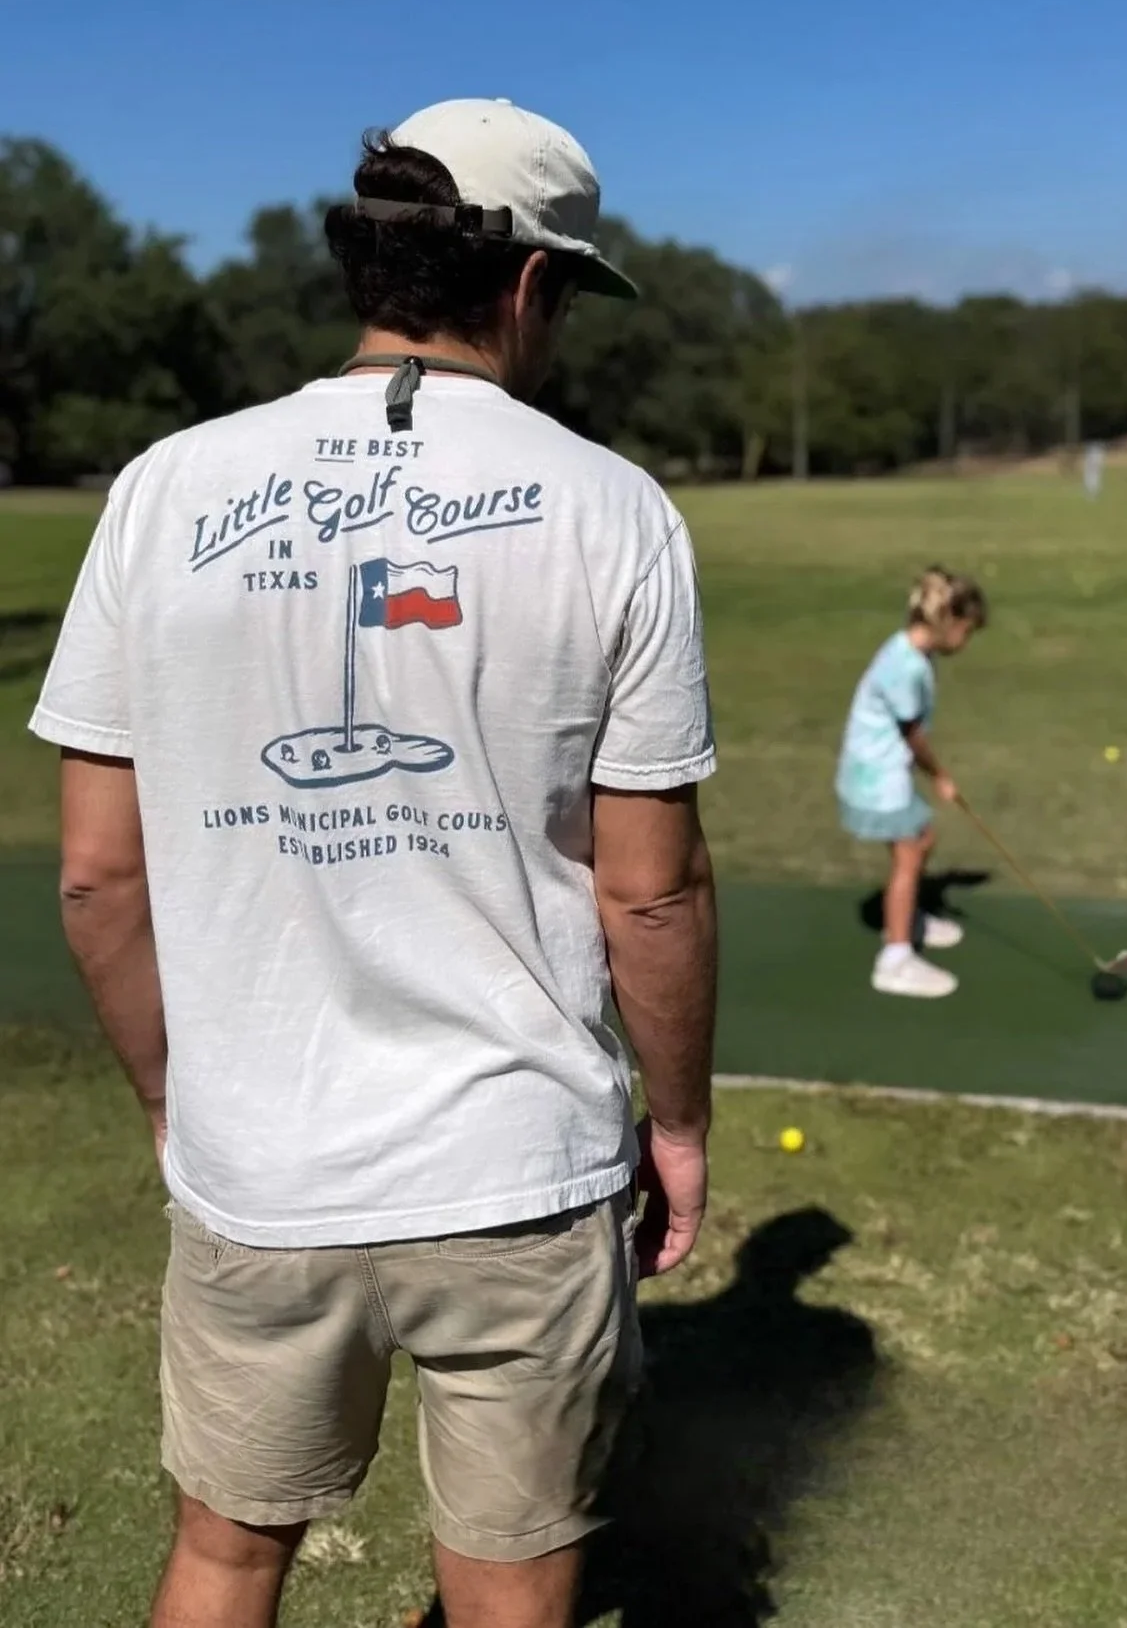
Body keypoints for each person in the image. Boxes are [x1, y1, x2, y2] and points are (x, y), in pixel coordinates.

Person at [30, 99, 718, 1628]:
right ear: (532, 283)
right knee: (508, 1590)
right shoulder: (617, 509)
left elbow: (97, 877)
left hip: (257, 1166)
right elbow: (648, 888)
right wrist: (676, 1126)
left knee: (223, 1554)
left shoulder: (159, 488)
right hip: (516, 1168)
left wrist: (168, 1094)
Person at [835, 566, 987, 999]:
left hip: (883, 769)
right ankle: (895, 959)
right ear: (951, 624)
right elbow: (913, 734)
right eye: (968, 631)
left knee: (922, 837)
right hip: (876, 776)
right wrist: (941, 777)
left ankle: (911, 919)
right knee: (908, 857)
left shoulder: (909, 652)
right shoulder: (906, 667)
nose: (966, 640)